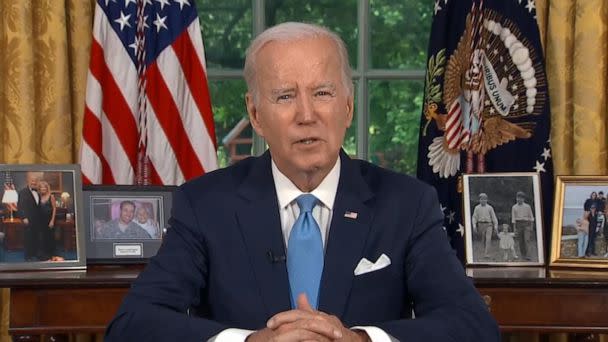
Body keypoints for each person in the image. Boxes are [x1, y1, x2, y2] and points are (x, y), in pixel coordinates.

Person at [105, 22, 499, 342]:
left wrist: (361, 341)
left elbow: (472, 325)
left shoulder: (407, 203)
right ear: (255, 113)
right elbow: (132, 325)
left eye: (322, 93)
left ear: (347, 107)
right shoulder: (205, 204)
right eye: (284, 96)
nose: (306, 115)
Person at [17, 172, 42, 261]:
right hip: (28, 219)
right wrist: (24, 218)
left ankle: (35, 253)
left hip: (37, 220)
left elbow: (38, 206)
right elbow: (20, 206)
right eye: (32, 181)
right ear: (28, 181)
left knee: (36, 237)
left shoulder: (38, 192)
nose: (34, 182)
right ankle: (28, 256)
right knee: (28, 238)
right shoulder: (22, 192)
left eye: (35, 181)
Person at [472, 192, 499, 258]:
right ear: (479, 200)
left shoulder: (490, 208)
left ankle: (487, 254)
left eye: (484, 199)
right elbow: (474, 217)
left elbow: (494, 217)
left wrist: (495, 227)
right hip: (481, 224)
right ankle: (484, 251)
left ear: (486, 200)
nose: (483, 200)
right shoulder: (477, 208)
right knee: (483, 239)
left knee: (488, 239)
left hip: (489, 225)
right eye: (481, 199)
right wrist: (474, 226)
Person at [511, 191, 535, 260]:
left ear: (523, 199)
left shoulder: (527, 206)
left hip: (526, 224)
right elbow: (513, 219)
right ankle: (523, 254)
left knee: (527, 239)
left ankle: (528, 255)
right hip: (518, 224)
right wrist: (514, 228)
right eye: (518, 198)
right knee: (521, 241)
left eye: (521, 198)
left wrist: (531, 226)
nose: (519, 199)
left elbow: (531, 217)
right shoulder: (514, 207)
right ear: (516, 198)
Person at [37, 181, 57, 260]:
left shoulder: (51, 196)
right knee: (42, 237)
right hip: (41, 220)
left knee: (50, 236)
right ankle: (44, 253)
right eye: (41, 187)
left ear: (47, 188)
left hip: (49, 219)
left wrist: (52, 220)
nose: (43, 188)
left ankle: (51, 253)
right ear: (39, 188)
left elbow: (54, 209)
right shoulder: (38, 196)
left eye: (44, 187)